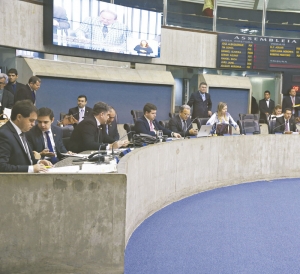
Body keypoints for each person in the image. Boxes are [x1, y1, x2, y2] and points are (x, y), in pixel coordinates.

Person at [0, 100, 52, 172]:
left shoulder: (22, 131)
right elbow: (2, 166)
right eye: (31, 120)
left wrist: (38, 162)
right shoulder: (4, 134)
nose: (33, 124)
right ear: (19, 117)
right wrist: (31, 169)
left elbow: (27, 159)